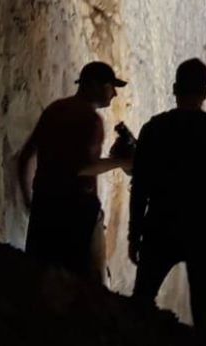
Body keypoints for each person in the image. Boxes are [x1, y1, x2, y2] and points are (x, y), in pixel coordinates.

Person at [128, 59, 206, 346]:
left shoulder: (154, 130)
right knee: (204, 314)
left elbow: (139, 187)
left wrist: (134, 234)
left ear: (175, 89)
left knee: (141, 302)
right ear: (205, 92)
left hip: (161, 227)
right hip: (205, 234)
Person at [16, 60, 132, 283]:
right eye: (110, 86)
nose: (115, 93)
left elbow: (25, 157)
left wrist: (27, 198)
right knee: (87, 290)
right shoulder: (90, 120)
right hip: (76, 213)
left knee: (40, 282)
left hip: (44, 206)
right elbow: (82, 168)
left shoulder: (55, 109)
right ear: (94, 85)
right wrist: (120, 162)